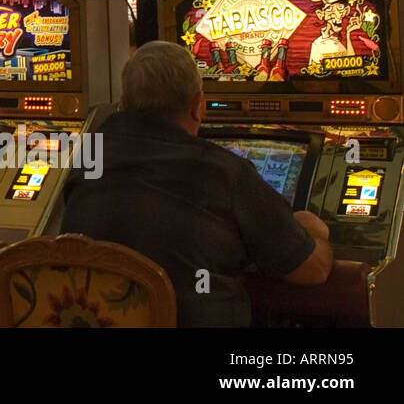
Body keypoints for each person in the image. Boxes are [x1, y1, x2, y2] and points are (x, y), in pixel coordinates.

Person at [60, 41, 333, 326]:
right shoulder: (223, 171)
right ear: (197, 106)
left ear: (124, 103)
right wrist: (316, 232)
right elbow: (312, 269)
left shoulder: (87, 160)